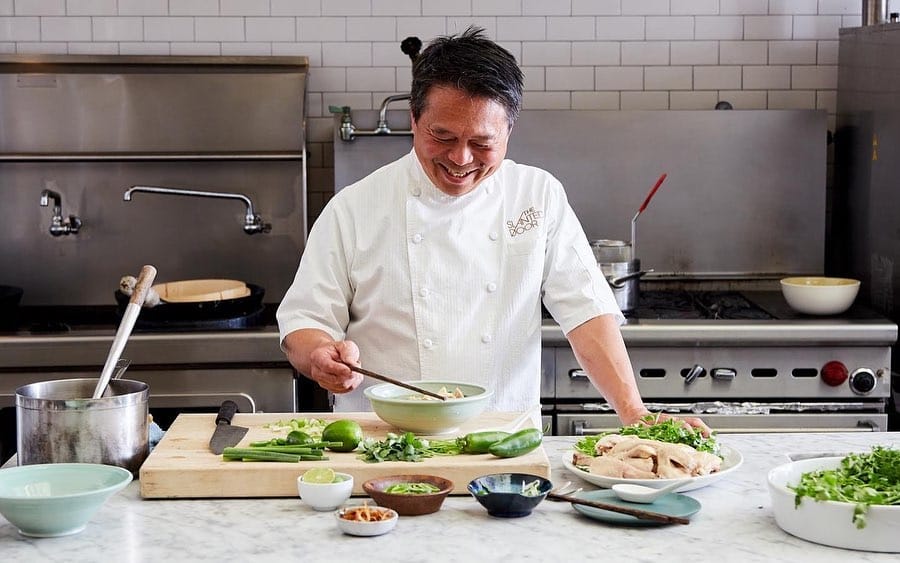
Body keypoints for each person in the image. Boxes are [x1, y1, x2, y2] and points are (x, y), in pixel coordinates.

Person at [277, 26, 709, 433]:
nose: (461, 158)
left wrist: (635, 413)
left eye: (482, 143)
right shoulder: (354, 207)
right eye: (442, 137)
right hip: (383, 445)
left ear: (509, 131)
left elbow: (587, 312)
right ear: (413, 119)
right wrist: (319, 356)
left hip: (504, 448)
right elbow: (305, 321)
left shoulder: (536, 195)